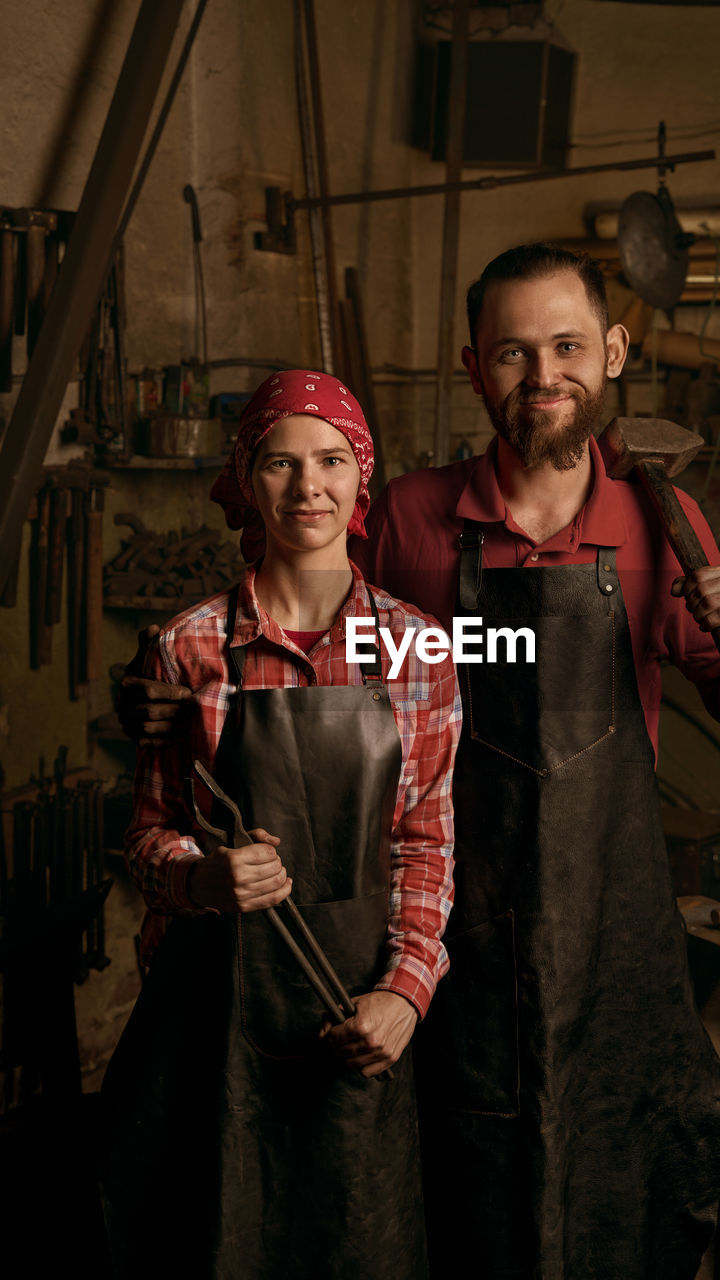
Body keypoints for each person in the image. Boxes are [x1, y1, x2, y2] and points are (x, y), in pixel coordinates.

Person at [119, 244, 720, 1279]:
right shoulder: (412, 521)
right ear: (475, 367)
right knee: (441, 1212)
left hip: (604, 930)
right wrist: (162, 702)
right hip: (440, 936)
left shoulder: (663, 519)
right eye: (513, 352)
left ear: (611, 352)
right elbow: (309, 638)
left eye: (566, 345)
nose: (543, 373)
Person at [99, 370, 461, 1280]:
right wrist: (200, 878)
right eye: (280, 463)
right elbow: (146, 841)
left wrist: (404, 993)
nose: (309, 488)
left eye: (332, 460)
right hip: (210, 1025)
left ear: (361, 479)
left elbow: (427, 845)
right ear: (246, 479)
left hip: (358, 1019)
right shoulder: (184, 647)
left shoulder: (421, 651)